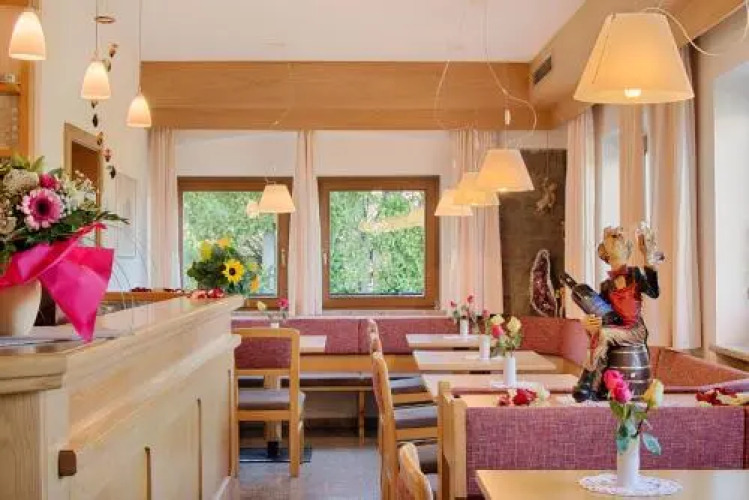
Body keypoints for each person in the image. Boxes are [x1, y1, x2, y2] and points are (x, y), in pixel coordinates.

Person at [573, 224, 662, 402]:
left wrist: (648, 260)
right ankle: (596, 385)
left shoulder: (636, 275)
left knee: (605, 334)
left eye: (619, 241)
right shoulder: (606, 286)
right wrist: (587, 322)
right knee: (601, 332)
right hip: (616, 329)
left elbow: (654, 292)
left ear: (627, 250)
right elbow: (602, 313)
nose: (616, 241)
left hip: (635, 330)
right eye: (611, 240)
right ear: (604, 253)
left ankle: (587, 379)